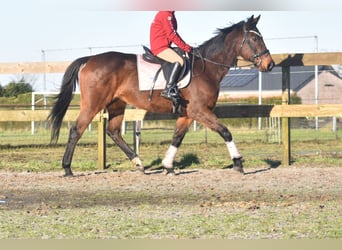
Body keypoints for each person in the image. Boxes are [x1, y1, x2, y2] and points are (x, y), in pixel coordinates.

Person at [150, 11, 192, 104]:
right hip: (160, 47)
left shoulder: (169, 14)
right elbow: (171, 34)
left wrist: (184, 46)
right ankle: (168, 89)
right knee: (179, 61)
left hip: (164, 45)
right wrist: (186, 47)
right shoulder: (165, 14)